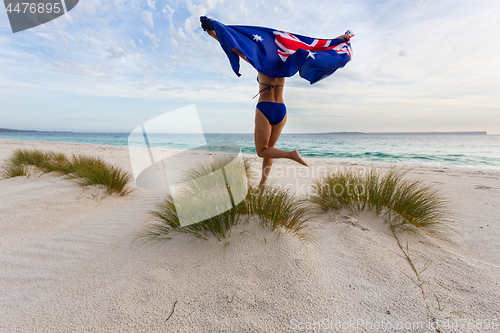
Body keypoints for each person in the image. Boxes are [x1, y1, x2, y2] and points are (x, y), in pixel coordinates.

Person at [205, 27, 349, 189]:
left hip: (265, 108)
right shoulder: (287, 63)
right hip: (281, 110)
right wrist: (337, 40)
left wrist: (215, 35)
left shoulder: (260, 61)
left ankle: (290, 154)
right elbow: (313, 47)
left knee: (262, 151)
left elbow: (237, 48)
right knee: (269, 149)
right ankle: (263, 183)